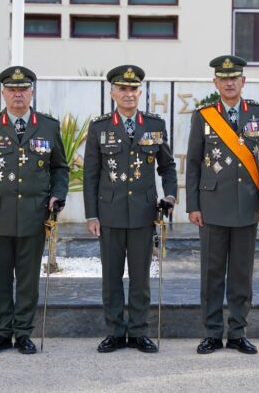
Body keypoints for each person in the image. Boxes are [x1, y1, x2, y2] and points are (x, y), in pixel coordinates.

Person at [0, 65, 69, 355]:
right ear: (3, 93)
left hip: (33, 215)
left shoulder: (48, 126)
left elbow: (60, 167)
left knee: (27, 278)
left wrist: (58, 195)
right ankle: (1, 332)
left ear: (31, 92)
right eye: (12, 90)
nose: (18, 95)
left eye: (23, 89)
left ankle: (23, 332)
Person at [186, 55, 259, 355]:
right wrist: (193, 205)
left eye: (234, 78)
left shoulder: (258, 113)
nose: (229, 83)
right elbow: (192, 163)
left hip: (246, 205)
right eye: (223, 78)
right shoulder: (203, 116)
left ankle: (238, 332)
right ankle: (213, 333)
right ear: (215, 82)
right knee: (212, 275)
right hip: (212, 205)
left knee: (241, 274)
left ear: (243, 81)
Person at [84, 65, 177, 354]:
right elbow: (90, 174)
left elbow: (167, 166)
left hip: (142, 213)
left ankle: (138, 331)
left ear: (140, 92)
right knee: (111, 276)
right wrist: (91, 214)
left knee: (140, 277)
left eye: (133, 89)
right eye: (122, 89)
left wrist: (171, 196)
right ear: (112, 92)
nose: (128, 94)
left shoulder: (154, 125)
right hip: (109, 214)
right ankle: (115, 331)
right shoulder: (100, 127)